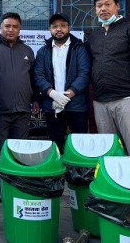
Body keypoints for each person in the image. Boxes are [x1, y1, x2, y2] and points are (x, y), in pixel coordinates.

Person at [86, 0, 130, 156]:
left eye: (108, 4)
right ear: (95, 10)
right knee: (110, 151)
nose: (103, 9)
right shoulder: (95, 36)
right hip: (101, 102)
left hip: (127, 100)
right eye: (99, 6)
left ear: (117, 6)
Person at [0, 12, 40, 202]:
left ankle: (17, 184)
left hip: (23, 110)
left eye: (15, 27)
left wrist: (36, 100)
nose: (11, 30)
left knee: (20, 149)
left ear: (19, 29)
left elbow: (33, 79)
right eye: (7, 26)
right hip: (0, 109)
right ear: (1, 28)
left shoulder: (27, 51)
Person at [34, 12, 91, 153]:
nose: (59, 29)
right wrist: (53, 94)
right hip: (52, 106)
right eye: (55, 26)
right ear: (50, 29)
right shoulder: (43, 51)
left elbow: (84, 74)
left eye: (62, 26)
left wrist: (67, 95)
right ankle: (58, 174)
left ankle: (77, 174)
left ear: (69, 28)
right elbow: (38, 75)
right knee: (56, 145)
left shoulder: (80, 48)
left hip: (76, 106)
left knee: (79, 146)